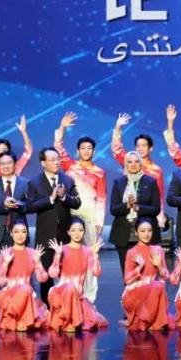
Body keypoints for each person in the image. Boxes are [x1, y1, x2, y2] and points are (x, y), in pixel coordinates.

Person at [53, 112, 108, 302]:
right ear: (77, 151)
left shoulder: (99, 172)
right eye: (83, 148)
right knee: (68, 255)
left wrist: (99, 222)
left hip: (90, 218)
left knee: (91, 255)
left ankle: (89, 297)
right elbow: (57, 148)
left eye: (89, 148)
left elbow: (102, 198)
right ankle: (67, 293)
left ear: (94, 151)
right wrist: (62, 127)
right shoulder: (70, 166)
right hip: (70, 215)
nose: (86, 151)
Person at [26, 147, 81, 304]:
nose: (57, 162)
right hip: (45, 236)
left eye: (58, 159)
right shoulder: (34, 182)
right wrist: (50, 199)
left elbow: (77, 202)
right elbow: (29, 207)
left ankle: (68, 307)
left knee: (67, 275)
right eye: (52, 160)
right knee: (46, 278)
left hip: (66, 236)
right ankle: (48, 309)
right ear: (43, 163)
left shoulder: (68, 180)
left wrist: (64, 197)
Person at [0, 151, 32, 315]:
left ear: (15, 164)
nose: (6, 166)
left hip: (18, 234)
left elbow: (31, 205)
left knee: (17, 271)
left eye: (9, 163)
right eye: (2, 163)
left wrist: (18, 204)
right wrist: (3, 206)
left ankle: (18, 308)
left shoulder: (25, 183)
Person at [46, 218, 108, 332]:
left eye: (80, 230)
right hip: (61, 295)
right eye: (73, 230)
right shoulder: (62, 249)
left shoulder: (87, 251)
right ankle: (67, 320)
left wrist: (95, 255)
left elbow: (96, 273)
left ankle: (73, 318)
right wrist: (57, 256)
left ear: (84, 232)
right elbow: (52, 274)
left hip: (79, 297)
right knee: (70, 288)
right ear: (68, 232)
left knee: (93, 322)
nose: (77, 233)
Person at [109, 152, 162, 275]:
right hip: (124, 233)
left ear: (141, 163)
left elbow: (156, 208)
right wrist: (127, 205)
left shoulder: (150, 182)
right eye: (130, 162)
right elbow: (113, 209)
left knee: (147, 272)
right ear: (125, 164)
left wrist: (138, 207)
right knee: (128, 274)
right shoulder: (119, 182)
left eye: (136, 161)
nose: (133, 164)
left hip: (146, 231)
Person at [112, 113, 167, 229]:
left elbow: (160, 197)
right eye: (138, 146)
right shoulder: (129, 161)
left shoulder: (157, 170)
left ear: (150, 148)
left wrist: (160, 218)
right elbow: (116, 149)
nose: (140, 148)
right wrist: (118, 127)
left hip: (147, 216)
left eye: (144, 145)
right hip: (127, 214)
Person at [0, 222, 49, 331]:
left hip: (27, 294)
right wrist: (5, 264)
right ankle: (14, 318)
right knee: (24, 289)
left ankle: (19, 320)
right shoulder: (6, 252)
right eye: (16, 232)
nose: (20, 235)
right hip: (8, 295)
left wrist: (38, 263)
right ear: (11, 233)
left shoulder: (33, 253)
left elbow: (42, 279)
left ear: (27, 234)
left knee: (49, 320)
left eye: (23, 232)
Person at [122, 217, 173, 331]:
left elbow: (166, 276)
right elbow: (127, 280)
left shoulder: (158, 250)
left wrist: (159, 266)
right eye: (142, 231)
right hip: (135, 294)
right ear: (136, 233)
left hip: (153, 293)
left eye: (149, 230)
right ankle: (144, 320)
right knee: (158, 286)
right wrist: (139, 268)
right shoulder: (132, 252)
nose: (146, 234)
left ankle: (149, 321)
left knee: (159, 285)